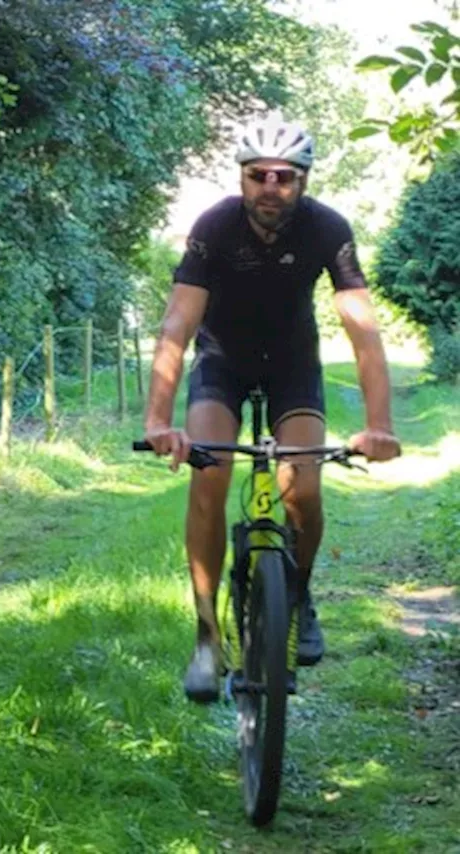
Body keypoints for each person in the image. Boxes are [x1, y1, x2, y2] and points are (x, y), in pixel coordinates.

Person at [142, 113, 401, 703]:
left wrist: (379, 426)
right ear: (242, 177)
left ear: (303, 181)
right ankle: (207, 635)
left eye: (284, 176)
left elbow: (363, 331)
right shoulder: (215, 227)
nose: (270, 187)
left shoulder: (326, 229)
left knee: (302, 487)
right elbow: (179, 324)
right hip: (222, 362)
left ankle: (299, 594)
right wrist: (159, 420)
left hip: (291, 365)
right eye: (259, 175)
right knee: (209, 478)